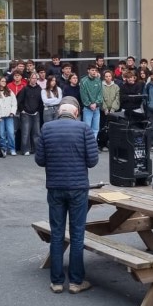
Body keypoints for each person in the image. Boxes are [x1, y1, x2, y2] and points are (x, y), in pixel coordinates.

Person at [35, 97, 99, 294]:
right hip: (78, 187)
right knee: (77, 234)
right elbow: (92, 161)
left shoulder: (47, 128)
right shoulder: (84, 129)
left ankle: (56, 281)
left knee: (57, 234)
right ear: (76, 112)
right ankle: (76, 282)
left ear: (58, 112)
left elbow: (40, 160)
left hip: (55, 187)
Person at [16, 72, 43, 155]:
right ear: (29, 79)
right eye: (33, 78)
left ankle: (36, 149)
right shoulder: (25, 89)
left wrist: (38, 111)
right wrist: (22, 110)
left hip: (36, 114)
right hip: (26, 114)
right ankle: (25, 149)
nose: (34, 80)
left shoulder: (40, 89)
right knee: (25, 132)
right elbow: (19, 101)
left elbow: (41, 102)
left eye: (36, 78)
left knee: (37, 133)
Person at [0, 77, 18, 155]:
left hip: (9, 116)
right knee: (1, 134)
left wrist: (12, 112)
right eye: (2, 81)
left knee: (11, 133)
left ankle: (12, 148)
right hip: (0, 116)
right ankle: (3, 149)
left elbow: (14, 103)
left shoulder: (10, 91)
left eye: (5, 81)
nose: (4, 82)